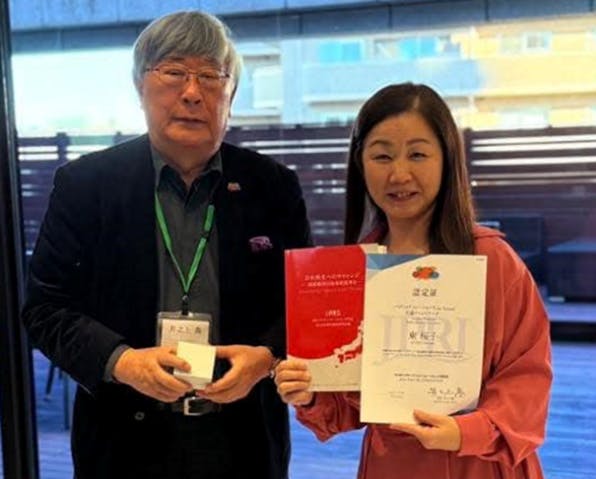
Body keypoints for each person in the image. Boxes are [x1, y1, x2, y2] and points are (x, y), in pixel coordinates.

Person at [22, 10, 311, 479]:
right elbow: (45, 308)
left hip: (242, 438)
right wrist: (123, 361)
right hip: (121, 439)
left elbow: (300, 305)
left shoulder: (272, 185)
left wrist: (265, 357)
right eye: (174, 72)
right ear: (140, 86)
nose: (192, 92)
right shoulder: (86, 184)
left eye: (211, 76)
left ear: (232, 94)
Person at [274, 83, 552, 479]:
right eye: (382, 156)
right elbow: (347, 403)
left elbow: (528, 377)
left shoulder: (493, 260)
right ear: (360, 163)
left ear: (447, 159)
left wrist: (466, 431)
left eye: (418, 154)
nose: (399, 174)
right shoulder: (354, 268)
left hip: (481, 465)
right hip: (392, 463)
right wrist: (309, 392)